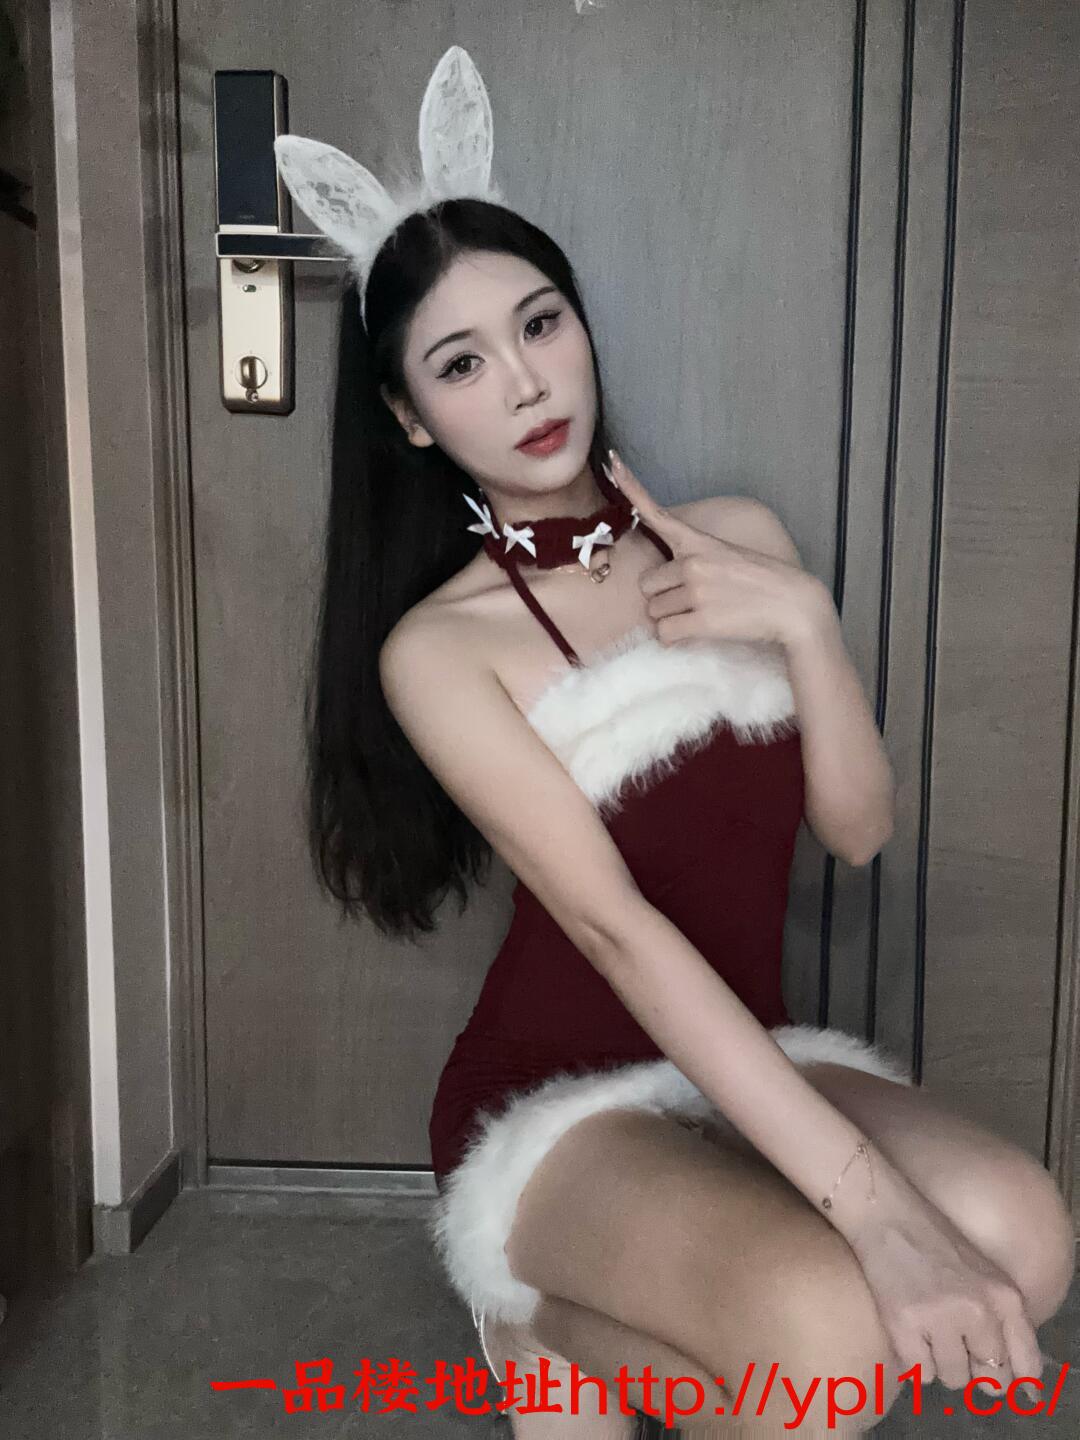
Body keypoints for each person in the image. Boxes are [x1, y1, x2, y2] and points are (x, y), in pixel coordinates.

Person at [279, 51, 1074, 1440]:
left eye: (541, 324)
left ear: (583, 326)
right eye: (462, 363)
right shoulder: (440, 650)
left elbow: (858, 831)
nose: (526, 382)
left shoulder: (738, 541)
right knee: (822, 1356)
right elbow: (616, 933)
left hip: (747, 1050)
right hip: (553, 1094)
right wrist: (875, 1216)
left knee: (1028, 1238)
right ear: (410, 417)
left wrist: (808, 624)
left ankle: (622, 1334)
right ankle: (533, 1310)